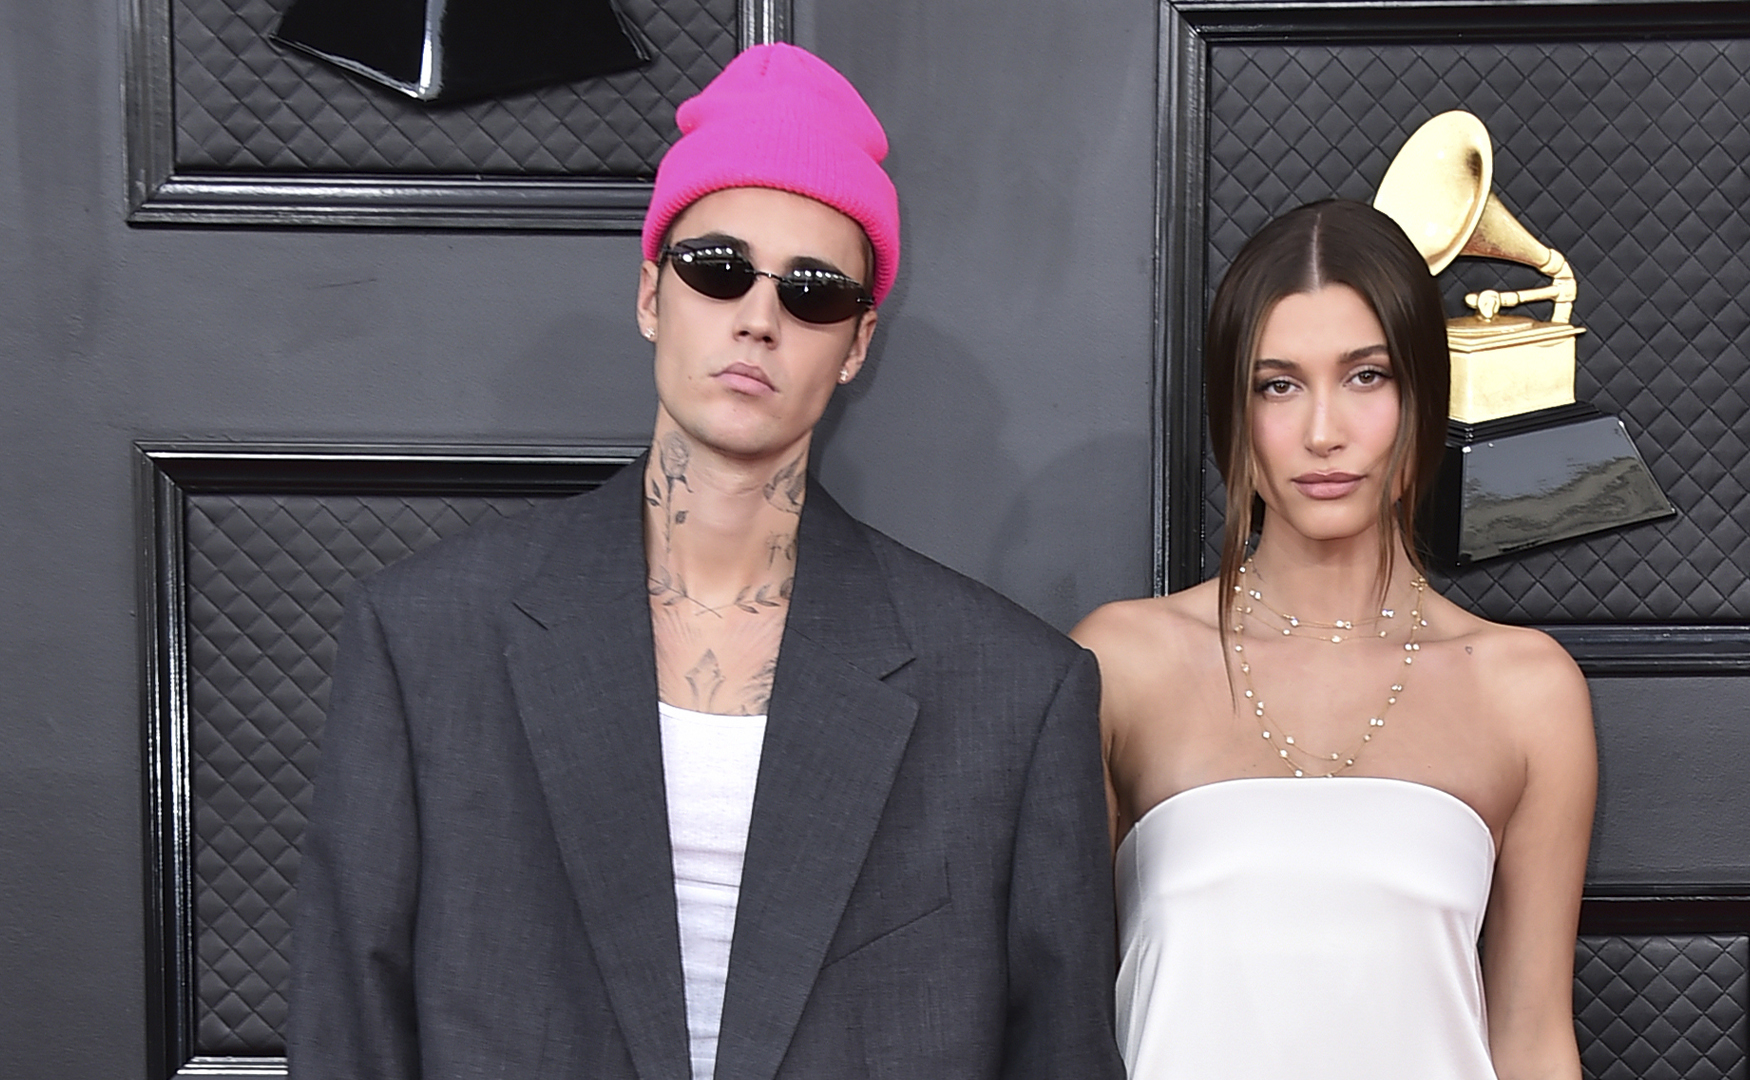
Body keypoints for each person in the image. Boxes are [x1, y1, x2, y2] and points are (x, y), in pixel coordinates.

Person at [288, 43, 1123, 1080]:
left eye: (813, 292)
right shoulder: (426, 645)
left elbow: (1060, 1054)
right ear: (651, 295)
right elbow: (349, 1036)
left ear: (859, 343)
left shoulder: (1008, 692)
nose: (758, 318)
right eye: (717, 267)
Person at [1072, 199, 1596, 1079]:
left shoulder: (1526, 691)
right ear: (1233, 415)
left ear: (1424, 394)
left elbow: (1534, 1038)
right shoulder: (1122, 665)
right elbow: (1056, 1014)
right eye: (1279, 384)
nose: (1324, 431)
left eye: (1366, 377)